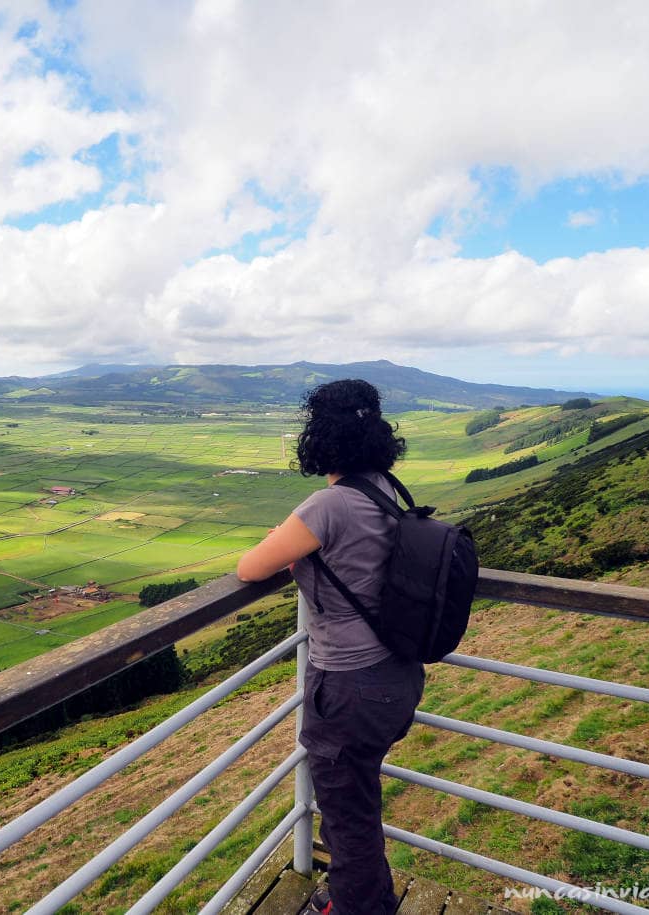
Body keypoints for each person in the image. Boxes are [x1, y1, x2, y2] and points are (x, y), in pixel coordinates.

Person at [236, 378, 423, 915]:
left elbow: (249, 567)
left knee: (347, 812)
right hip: (396, 673)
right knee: (357, 800)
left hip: (349, 684)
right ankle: (363, 895)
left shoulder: (329, 505)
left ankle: (358, 906)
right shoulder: (385, 487)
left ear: (320, 436)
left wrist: (291, 535)